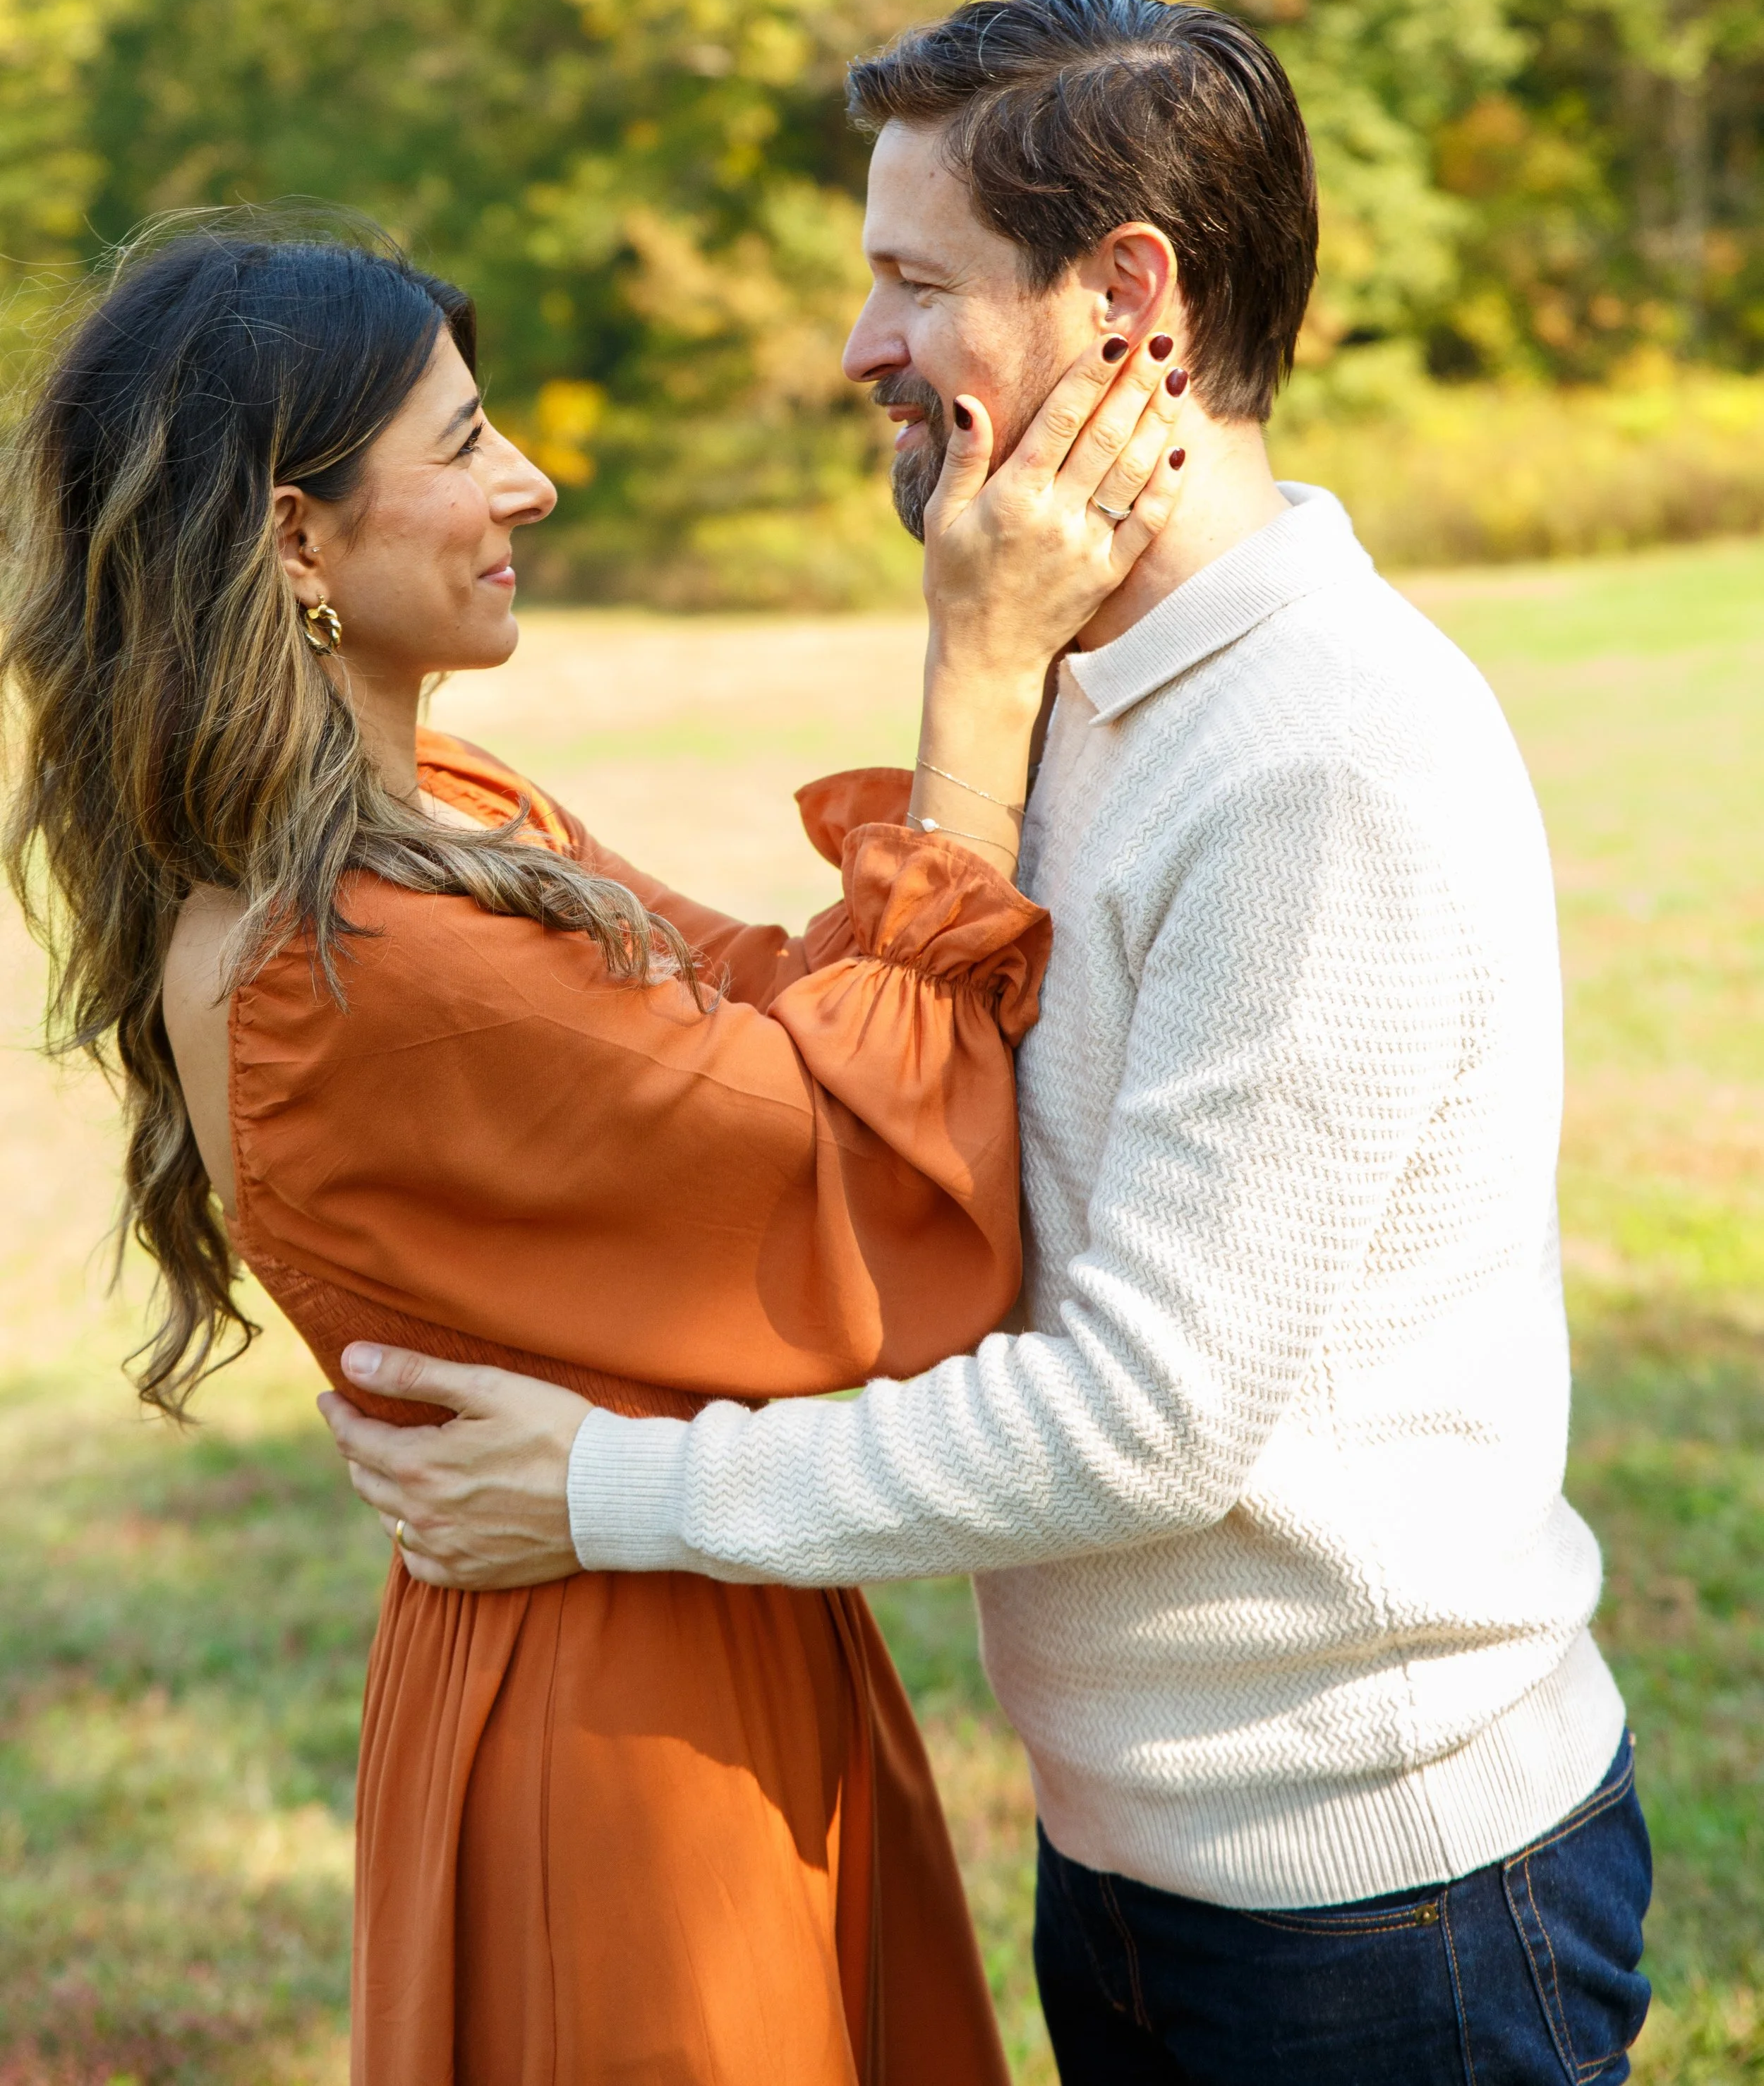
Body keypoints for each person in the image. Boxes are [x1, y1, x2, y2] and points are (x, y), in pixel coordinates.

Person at [328, 0, 1655, 2086]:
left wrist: (601, 1490)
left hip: (1380, 1900)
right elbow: (877, 1107)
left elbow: (1143, 1419)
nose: (862, 350)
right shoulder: (1085, 685)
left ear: (1127, 306)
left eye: (913, 283)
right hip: (1139, 1855)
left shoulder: (1323, 751)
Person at [0, 205, 1190, 2086]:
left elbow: (793, 1004)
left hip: (667, 1618)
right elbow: (873, 1196)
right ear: (298, 537)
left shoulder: (435, 818)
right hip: (618, 1729)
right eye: (465, 443)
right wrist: (979, 670)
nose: (531, 483)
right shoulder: (360, 957)